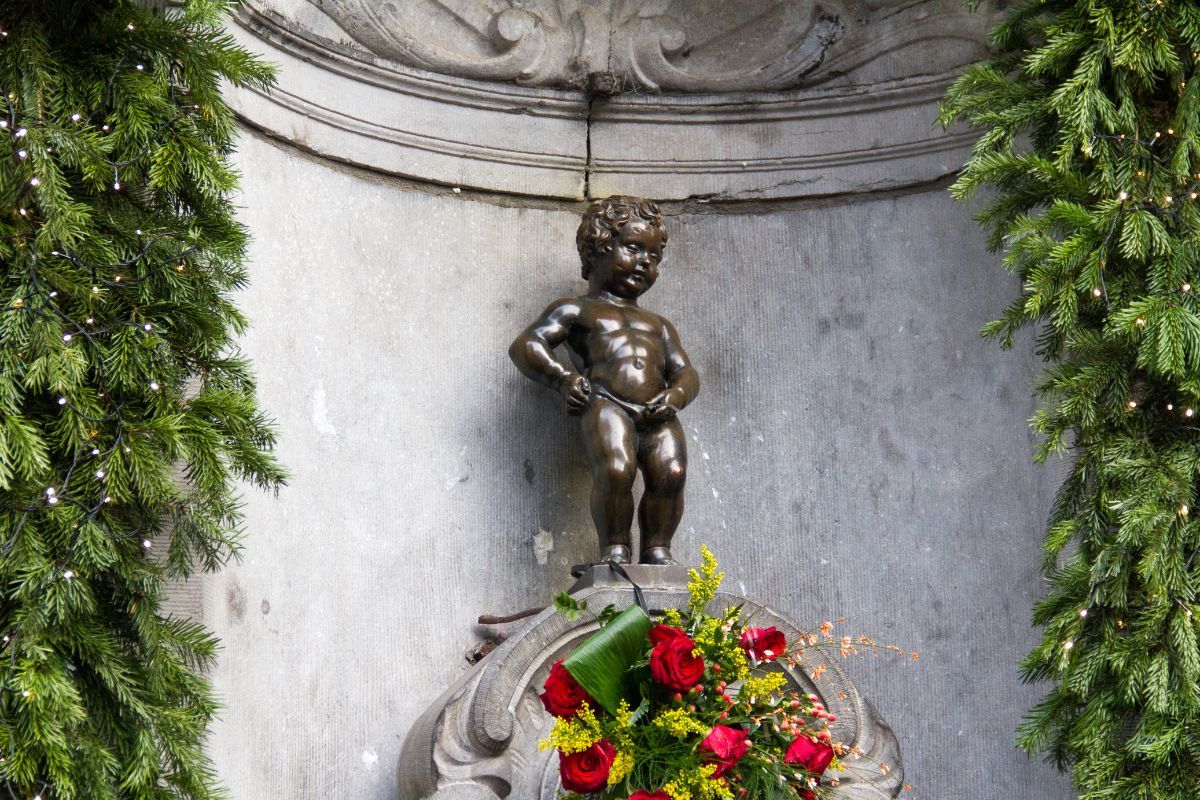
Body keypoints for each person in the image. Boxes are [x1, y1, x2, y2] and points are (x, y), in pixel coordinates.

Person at [509, 196, 700, 565]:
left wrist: (676, 395)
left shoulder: (658, 324)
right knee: (616, 469)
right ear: (597, 247)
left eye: (654, 257)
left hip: (659, 410)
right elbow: (527, 345)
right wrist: (564, 379)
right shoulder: (576, 309)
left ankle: (658, 550)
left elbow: (687, 372)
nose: (645, 262)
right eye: (633, 248)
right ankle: (615, 548)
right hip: (606, 401)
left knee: (672, 472)